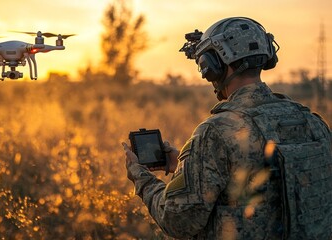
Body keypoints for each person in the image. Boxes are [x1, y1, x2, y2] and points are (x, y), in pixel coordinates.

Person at [122, 17, 332, 239]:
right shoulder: (314, 122)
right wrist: (189, 169)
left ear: (214, 65)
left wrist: (141, 178)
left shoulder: (216, 131)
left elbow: (177, 221)